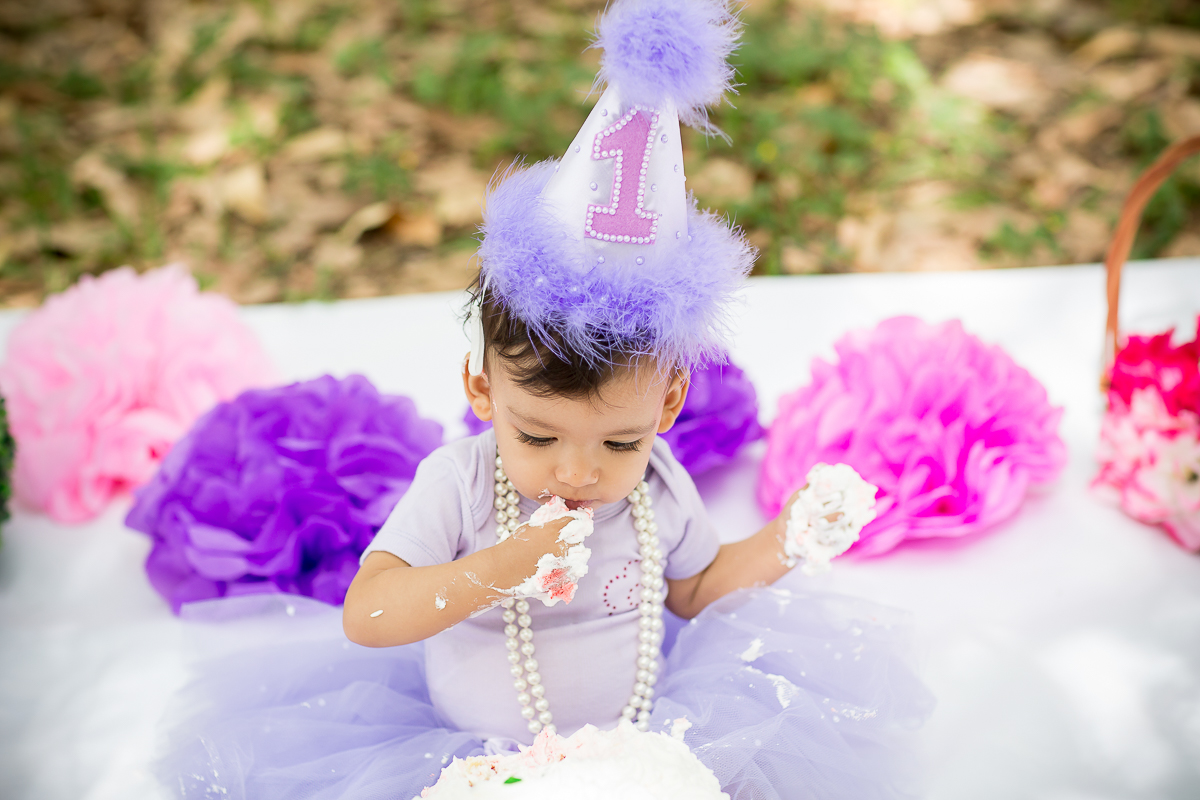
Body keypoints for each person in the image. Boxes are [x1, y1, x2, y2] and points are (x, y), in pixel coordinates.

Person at [159, 2, 931, 798]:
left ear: (668, 406)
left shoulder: (657, 487)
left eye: (619, 443)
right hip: (466, 757)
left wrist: (786, 538)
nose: (578, 470)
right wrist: (496, 569)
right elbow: (368, 615)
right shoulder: (462, 486)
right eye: (537, 435)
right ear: (481, 389)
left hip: (633, 755)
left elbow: (697, 590)